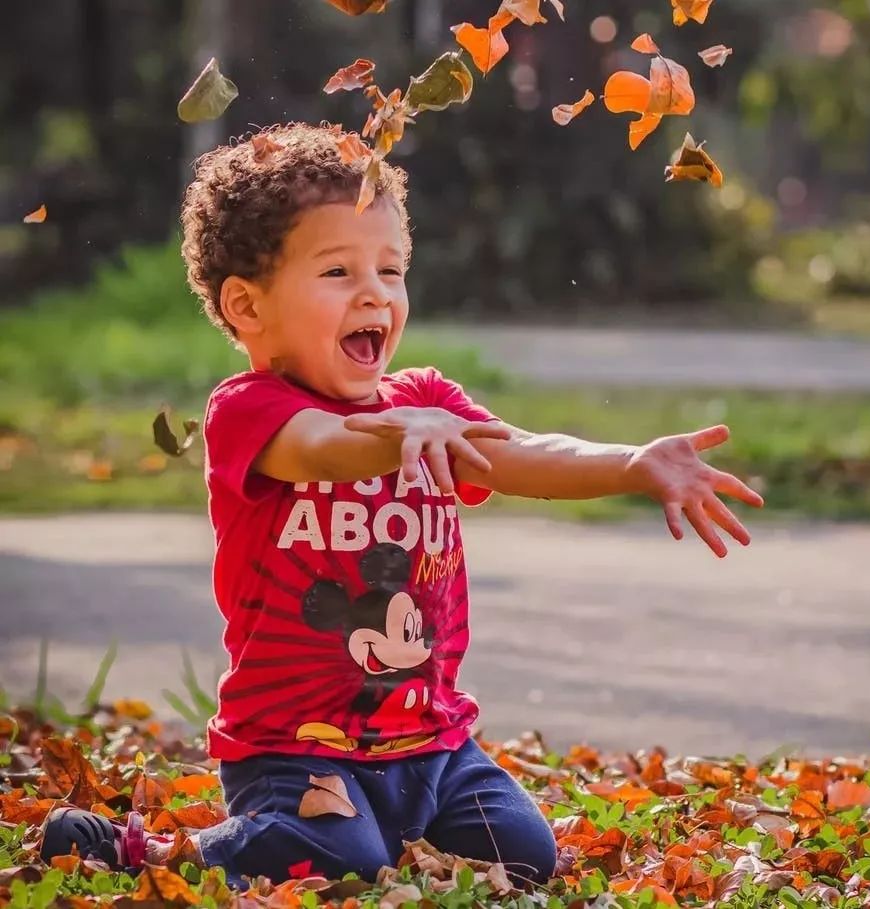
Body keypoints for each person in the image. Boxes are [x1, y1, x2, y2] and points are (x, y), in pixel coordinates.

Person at [41, 122, 763, 888]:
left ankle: (390, 823)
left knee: (527, 853)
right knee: (342, 858)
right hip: (293, 749)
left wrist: (631, 462)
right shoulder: (249, 411)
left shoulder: (427, 401)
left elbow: (519, 449)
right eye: (338, 271)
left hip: (435, 748)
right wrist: (407, 436)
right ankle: (149, 850)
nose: (375, 292)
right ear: (248, 307)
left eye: (391, 269)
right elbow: (322, 446)